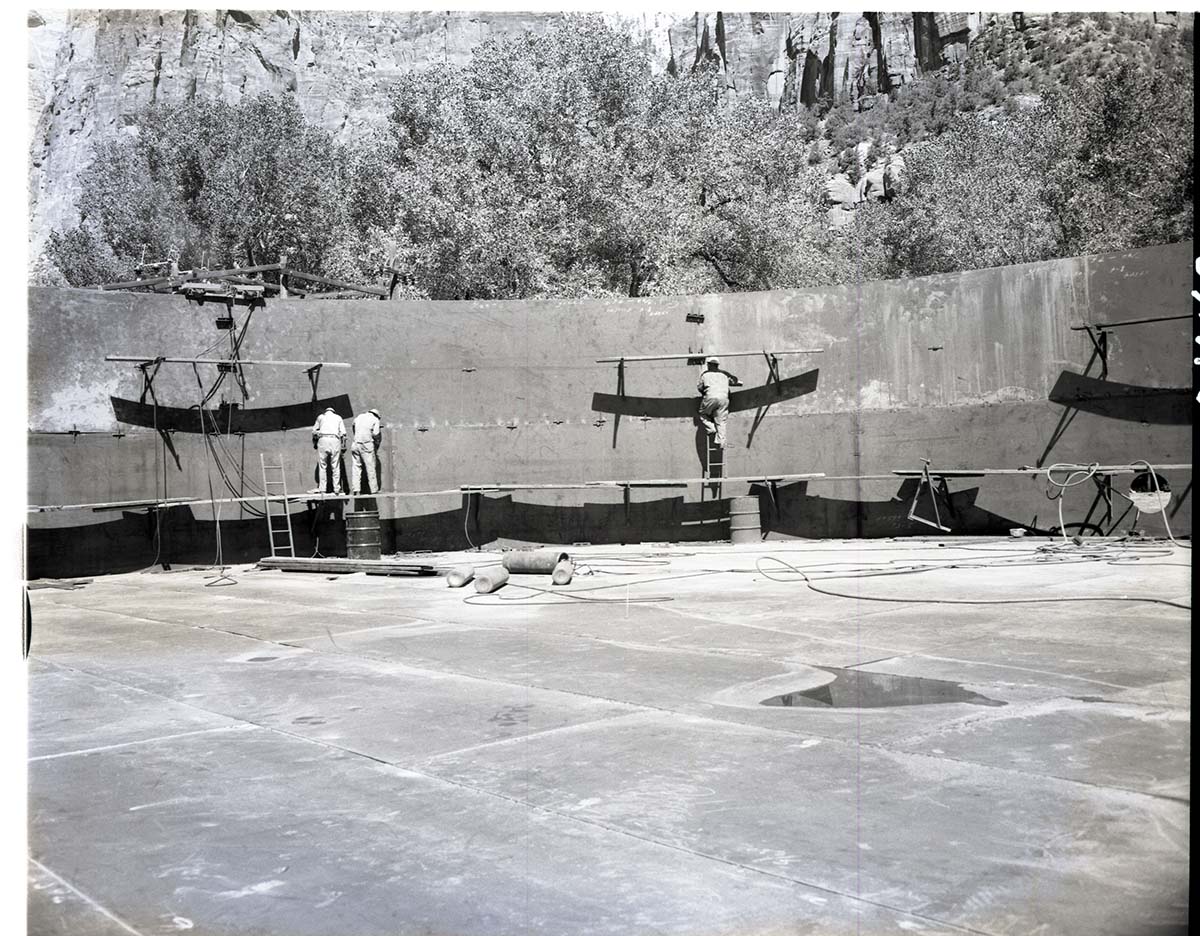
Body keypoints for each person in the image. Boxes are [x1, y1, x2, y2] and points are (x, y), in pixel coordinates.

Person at [697, 357, 739, 447]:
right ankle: (721, 442)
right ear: (717, 365)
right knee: (721, 421)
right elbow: (735, 380)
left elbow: (700, 388)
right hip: (724, 398)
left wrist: (704, 393)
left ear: (709, 365)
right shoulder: (724, 374)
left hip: (711, 397)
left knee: (703, 414)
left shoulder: (705, 374)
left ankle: (711, 429)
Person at [311, 406, 346, 493]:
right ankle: (337, 488)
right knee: (335, 465)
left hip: (323, 439)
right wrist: (343, 446)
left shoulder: (321, 417)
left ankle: (322, 488)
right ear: (333, 411)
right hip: (335, 439)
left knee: (322, 465)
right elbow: (343, 433)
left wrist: (315, 443)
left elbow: (314, 431)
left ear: (326, 411)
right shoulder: (338, 417)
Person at [350, 407, 383, 495]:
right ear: (377, 415)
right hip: (366, 444)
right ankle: (374, 490)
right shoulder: (375, 419)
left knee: (356, 467)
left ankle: (356, 489)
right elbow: (376, 433)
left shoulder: (359, 417)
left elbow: (353, 425)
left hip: (355, 443)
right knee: (370, 467)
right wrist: (375, 439)